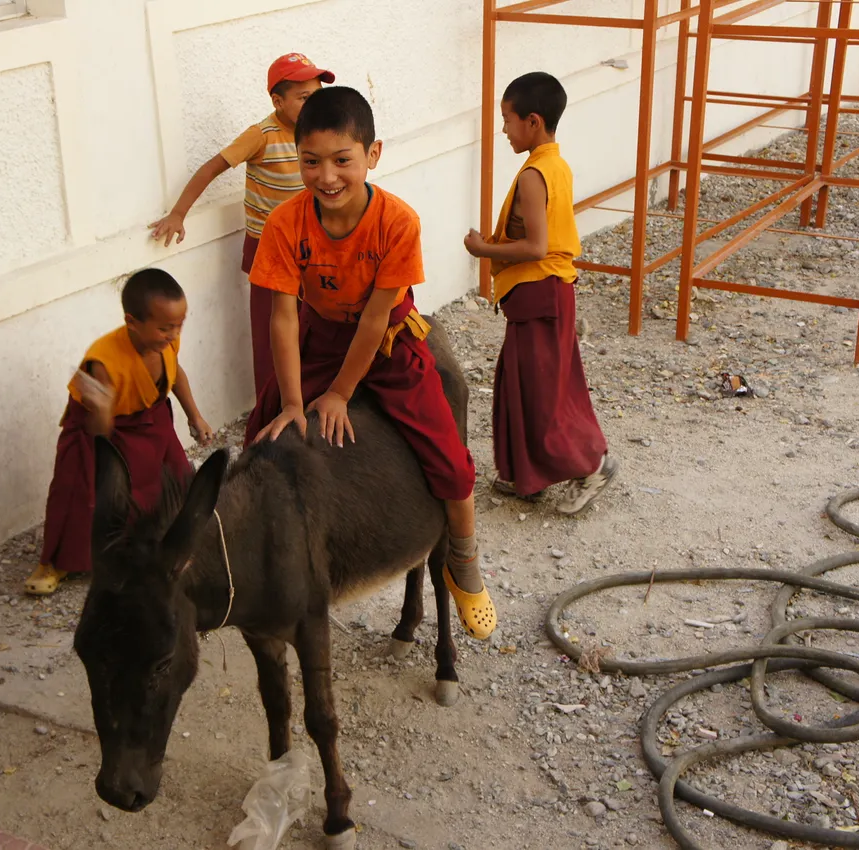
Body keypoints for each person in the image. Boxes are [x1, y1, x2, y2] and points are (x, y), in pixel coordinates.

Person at [244, 86, 496, 640]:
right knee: (258, 437)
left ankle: (464, 562)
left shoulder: (397, 222)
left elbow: (377, 319)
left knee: (451, 463)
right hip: (318, 335)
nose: (326, 176)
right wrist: (291, 401)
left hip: (387, 343)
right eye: (311, 162)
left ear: (372, 155)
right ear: (296, 156)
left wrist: (337, 393)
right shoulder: (285, 223)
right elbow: (282, 319)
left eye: (342, 160)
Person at [463, 71, 616, 514]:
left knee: (546, 395)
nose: (505, 130)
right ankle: (526, 477)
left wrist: (481, 249)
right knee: (520, 383)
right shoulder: (555, 164)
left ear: (533, 121)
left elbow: (535, 246)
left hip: (541, 291)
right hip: (545, 293)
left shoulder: (533, 175)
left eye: (508, 120)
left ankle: (593, 465)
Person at [149, 52, 335, 397]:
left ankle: (308, 397)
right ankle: (271, 409)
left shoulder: (320, 133)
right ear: (278, 101)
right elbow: (211, 168)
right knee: (271, 333)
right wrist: (178, 213)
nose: (314, 104)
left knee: (313, 324)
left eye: (318, 94)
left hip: (313, 247)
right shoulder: (261, 135)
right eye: (304, 97)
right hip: (270, 250)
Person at [25, 268, 213, 595]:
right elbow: (100, 431)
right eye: (165, 327)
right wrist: (100, 408)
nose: (173, 333)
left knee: (177, 478)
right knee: (85, 494)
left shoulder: (168, 338)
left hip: (152, 418)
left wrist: (193, 415)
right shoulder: (104, 361)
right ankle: (56, 561)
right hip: (101, 429)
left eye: (179, 324)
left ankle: (175, 541)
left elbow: (175, 372)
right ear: (132, 322)